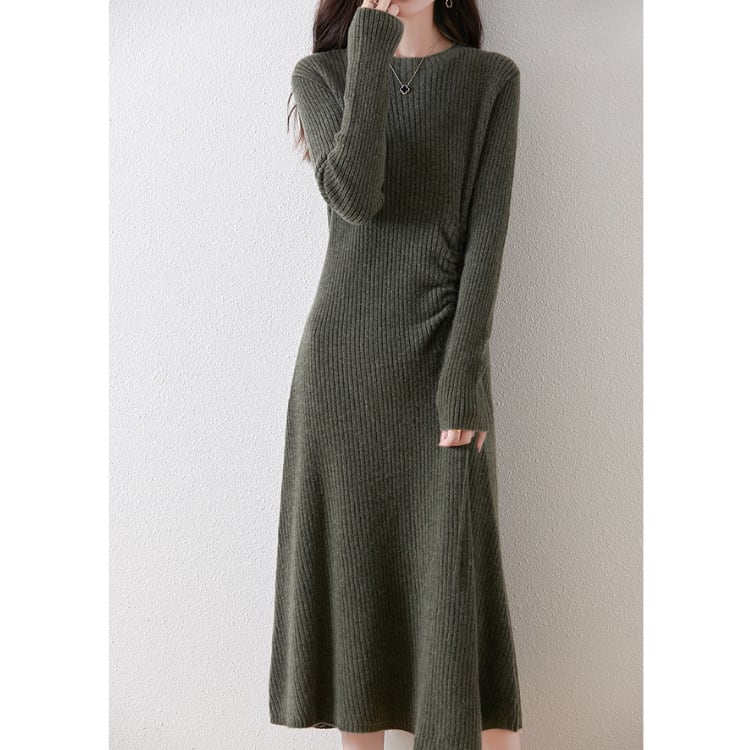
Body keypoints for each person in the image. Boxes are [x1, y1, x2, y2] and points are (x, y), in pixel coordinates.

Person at [269, 1, 523, 748]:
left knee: (457, 599)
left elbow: (487, 239)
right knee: (357, 609)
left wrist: (462, 379)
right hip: (342, 377)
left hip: (444, 370)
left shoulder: (492, 80)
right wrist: (369, 53)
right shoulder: (322, 76)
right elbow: (356, 197)